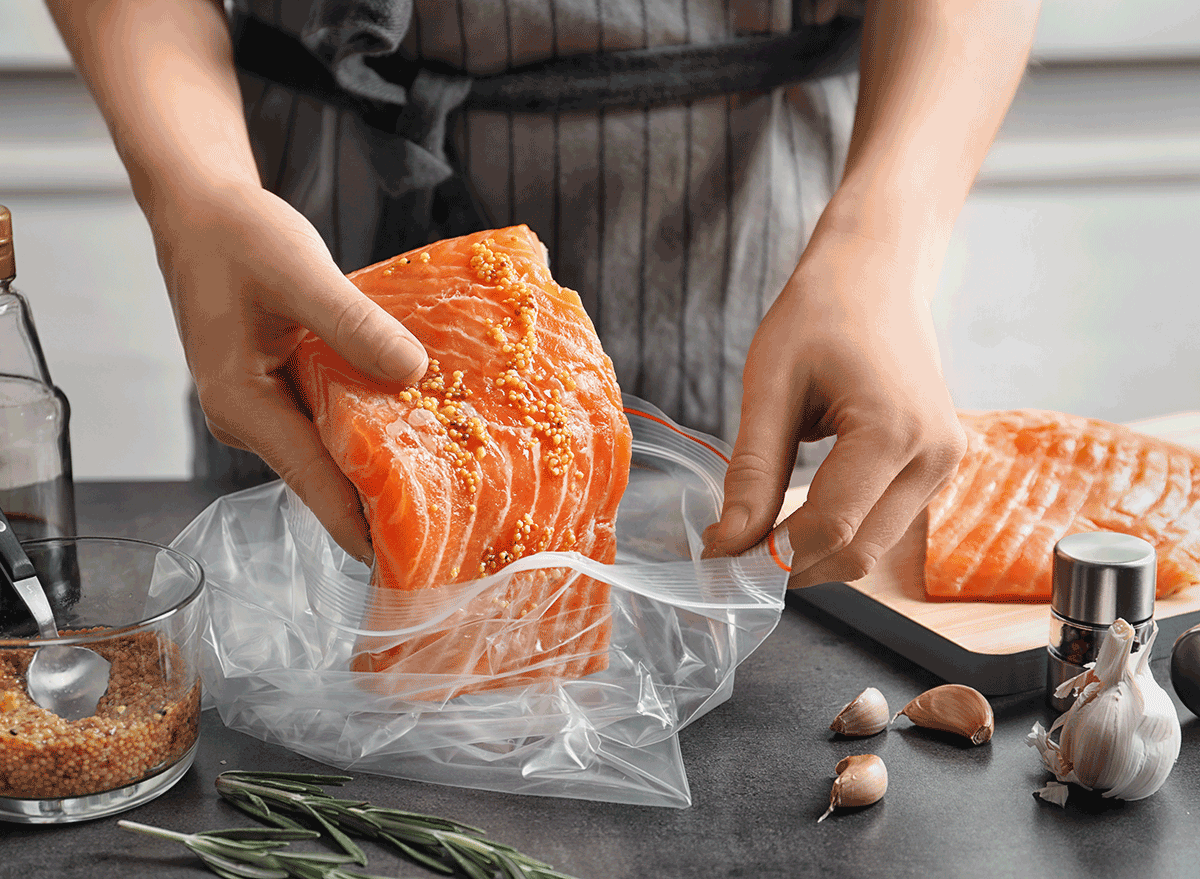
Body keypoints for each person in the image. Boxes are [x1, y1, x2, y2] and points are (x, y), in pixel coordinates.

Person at [45, 0, 1041, 588]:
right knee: (311, 671)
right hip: (300, 227)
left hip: (752, 236)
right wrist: (193, 193)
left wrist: (888, 240)